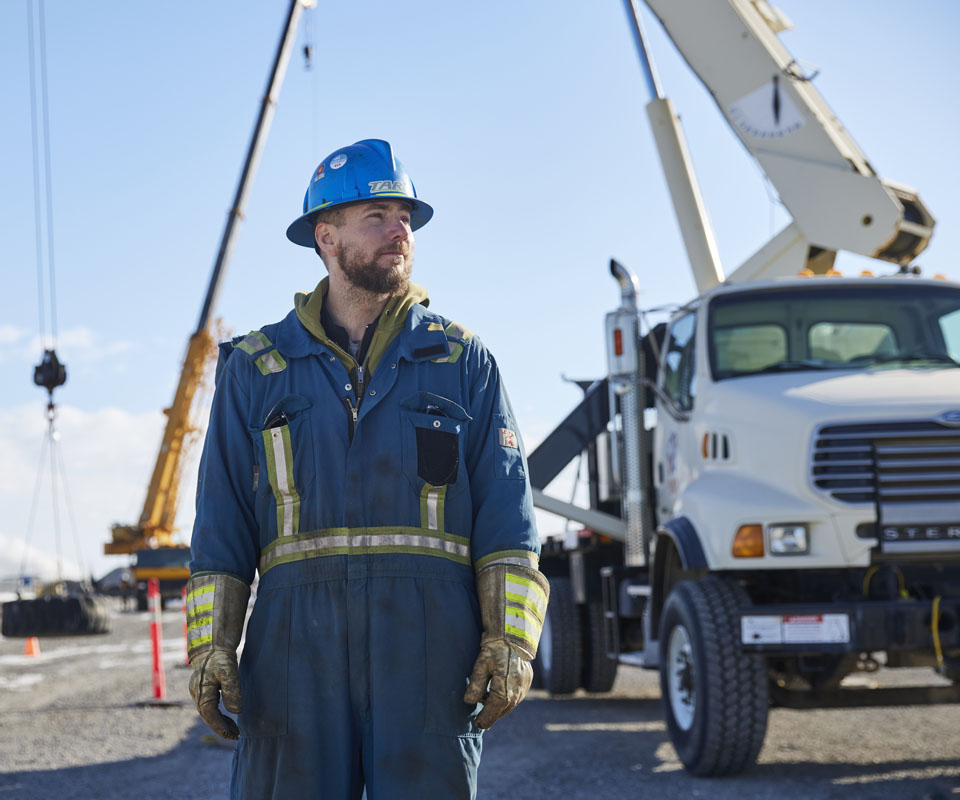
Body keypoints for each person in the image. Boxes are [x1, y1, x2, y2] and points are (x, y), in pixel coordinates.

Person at [185, 138, 549, 799]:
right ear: (326, 236)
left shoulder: (462, 362)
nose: (399, 230)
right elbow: (222, 523)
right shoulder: (256, 368)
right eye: (376, 215)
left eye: (405, 216)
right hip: (293, 654)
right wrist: (212, 645)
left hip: (430, 654)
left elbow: (507, 516)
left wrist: (511, 641)